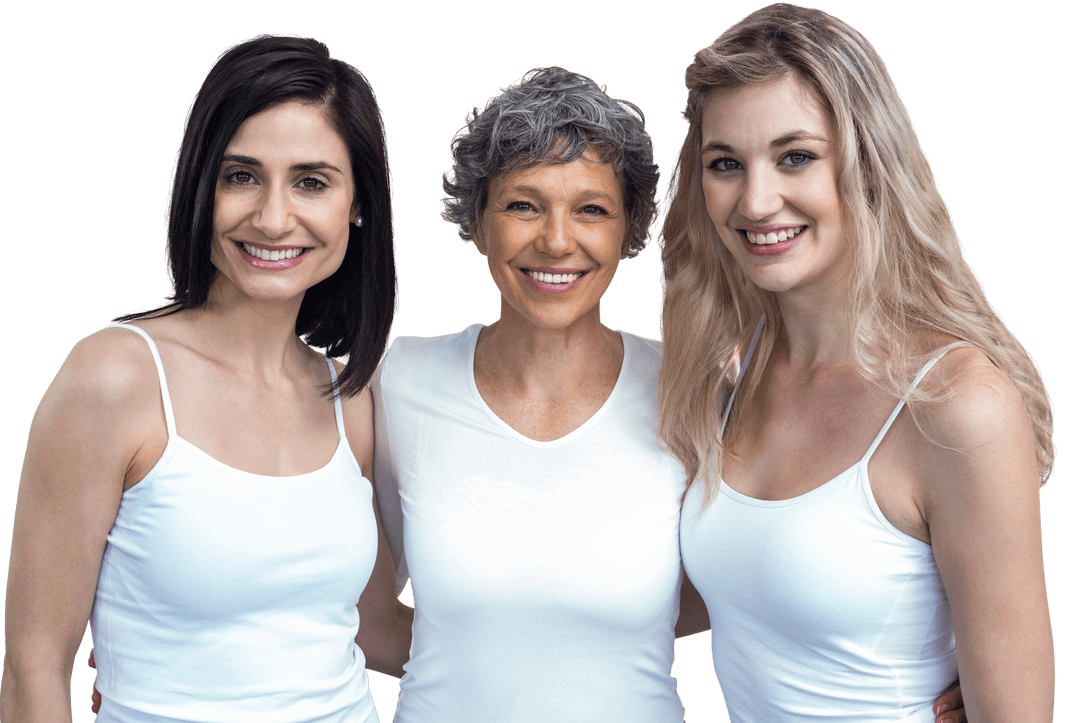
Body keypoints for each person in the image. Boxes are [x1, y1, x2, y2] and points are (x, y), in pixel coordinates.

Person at [660, 4, 1055, 722]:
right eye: (726, 164)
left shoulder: (956, 406)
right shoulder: (728, 375)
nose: (755, 200)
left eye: (796, 156)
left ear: (868, 162)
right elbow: (733, 592)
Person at [2, 34, 410, 722]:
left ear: (358, 204)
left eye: (311, 181)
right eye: (240, 175)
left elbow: (372, 629)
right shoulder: (115, 379)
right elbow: (31, 668)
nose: (273, 217)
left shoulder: (350, 393)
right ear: (200, 185)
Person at [371, 66, 687, 721]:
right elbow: (344, 602)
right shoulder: (396, 381)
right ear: (477, 219)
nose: (556, 240)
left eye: (591, 209)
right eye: (523, 203)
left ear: (630, 230)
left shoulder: (691, 386)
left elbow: (762, 579)